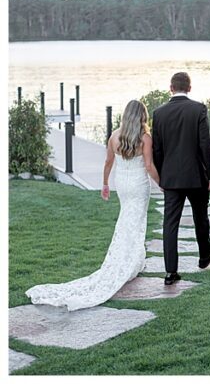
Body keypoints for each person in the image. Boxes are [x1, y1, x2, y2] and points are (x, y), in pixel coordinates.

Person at [26, 100, 160, 310]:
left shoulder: (115, 136)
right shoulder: (145, 138)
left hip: (122, 185)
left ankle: (134, 260)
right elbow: (149, 166)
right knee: (135, 221)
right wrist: (162, 184)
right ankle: (126, 264)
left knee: (128, 220)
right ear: (142, 117)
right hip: (138, 184)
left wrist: (105, 184)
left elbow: (108, 163)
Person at [152, 72, 210, 286]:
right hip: (196, 176)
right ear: (189, 88)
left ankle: (171, 272)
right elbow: (205, 145)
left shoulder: (159, 113)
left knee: (170, 224)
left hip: (171, 178)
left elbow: (157, 150)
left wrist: (163, 177)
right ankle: (204, 257)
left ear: (170, 87)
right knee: (201, 217)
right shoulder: (198, 109)